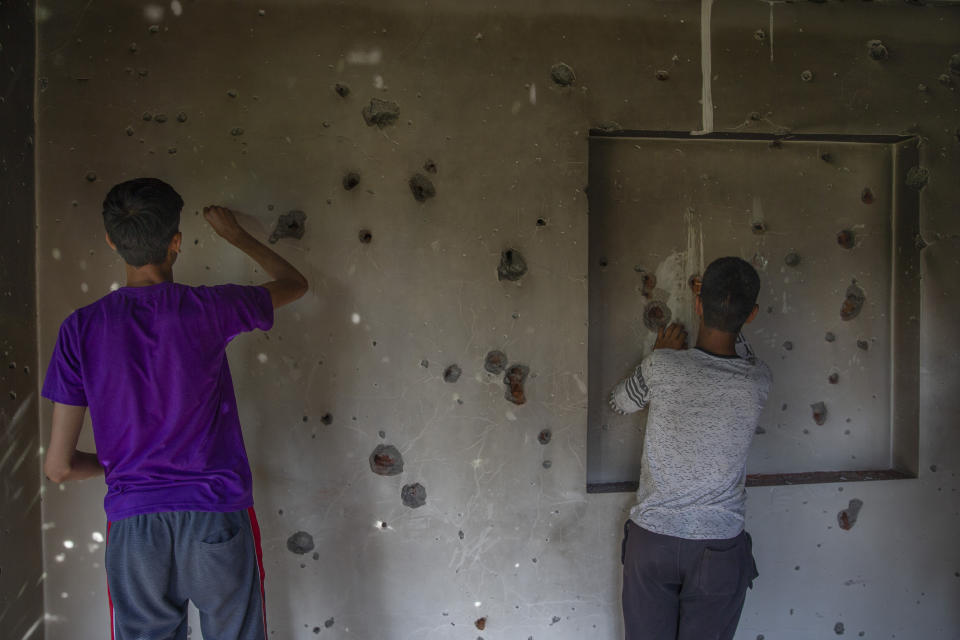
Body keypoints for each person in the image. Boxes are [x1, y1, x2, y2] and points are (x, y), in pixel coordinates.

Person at [41, 178, 308, 640]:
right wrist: (238, 237)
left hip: (135, 528)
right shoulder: (208, 308)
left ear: (111, 241)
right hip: (215, 516)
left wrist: (124, 466)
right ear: (176, 243)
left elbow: (59, 468)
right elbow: (294, 284)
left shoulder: (79, 329)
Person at [610, 256, 772, 640]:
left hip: (653, 543)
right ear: (752, 315)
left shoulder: (663, 367)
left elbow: (619, 403)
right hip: (718, 549)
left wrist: (656, 354)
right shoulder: (757, 380)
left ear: (697, 305)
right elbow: (742, 352)